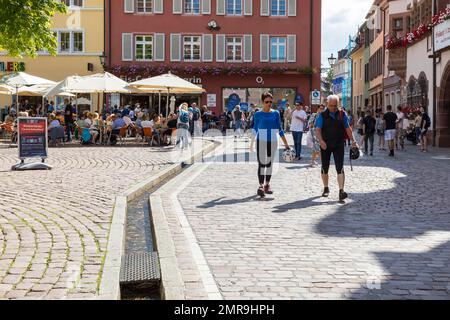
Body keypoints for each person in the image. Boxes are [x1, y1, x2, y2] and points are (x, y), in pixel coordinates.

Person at [315, 95, 358, 202]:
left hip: (339, 143)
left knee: (340, 167)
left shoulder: (342, 114)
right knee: (325, 167)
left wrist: (353, 141)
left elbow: (348, 128)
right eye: (331, 105)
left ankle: (341, 191)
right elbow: (318, 130)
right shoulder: (322, 115)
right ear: (327, 104)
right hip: (326, 144)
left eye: (335, 106)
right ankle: (326, 187)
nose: (333, 108)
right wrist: (321, 141)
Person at [251, 92, 291, 198]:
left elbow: (280, 129)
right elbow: (255, 129)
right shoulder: (258, 114)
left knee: (269, 164)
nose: (268, 103)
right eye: (266, 102)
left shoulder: (276, 113)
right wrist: (251, 143)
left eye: (270, 101)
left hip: (273, 141)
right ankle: (260, 186)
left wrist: (286, 144)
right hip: (261, 141)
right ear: (262, 102)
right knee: (261, 164)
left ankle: (267, 185)